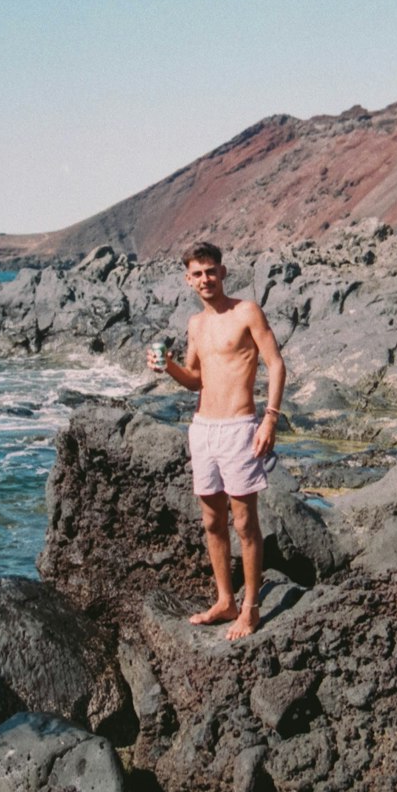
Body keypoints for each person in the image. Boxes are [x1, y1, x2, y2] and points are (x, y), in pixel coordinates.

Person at [147, 240, 286, 639]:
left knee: (245, 523)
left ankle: (251, 608)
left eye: (211, 271)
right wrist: (168, 366)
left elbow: (276, 364)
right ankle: (225, 601)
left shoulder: (246, 311)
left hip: (241, 427)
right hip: (203, 429)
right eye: (197, 273)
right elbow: (196, 380)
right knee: (212, 521)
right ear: (188, 280)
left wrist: (270, 420)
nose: (205, 279)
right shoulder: (196, 324)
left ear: (222, 272)